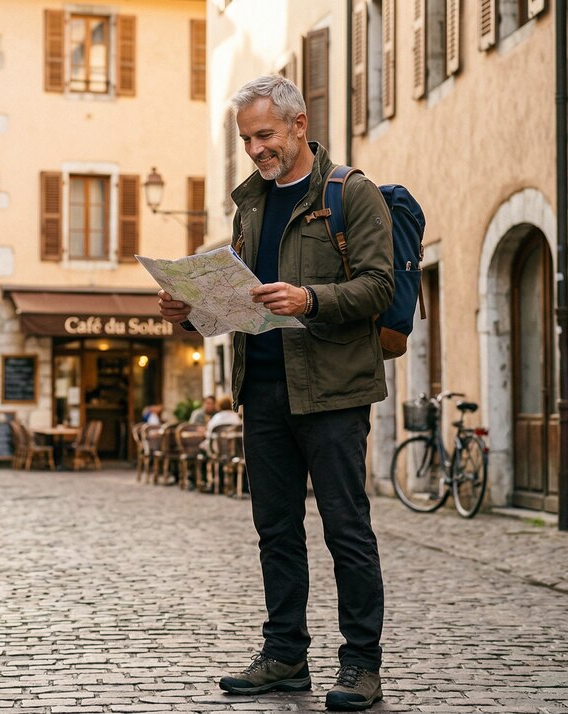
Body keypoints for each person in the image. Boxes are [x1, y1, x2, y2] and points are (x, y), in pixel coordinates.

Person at [157, 75, 393, 711]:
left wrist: (310, 299)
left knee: (347, 528)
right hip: (261, 390)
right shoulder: (250, 205)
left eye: (265, 135)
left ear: (299, 124)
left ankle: (361, 664)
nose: (257, 149)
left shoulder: (353, 194)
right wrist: (190, 310)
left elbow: (378, 286)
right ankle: (285, 655)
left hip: (333, 394)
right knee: (276, 532)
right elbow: (241, 302)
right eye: (246, 139)